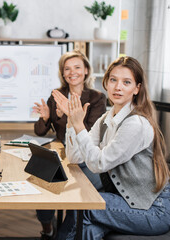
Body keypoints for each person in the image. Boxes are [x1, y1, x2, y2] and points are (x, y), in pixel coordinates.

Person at [56, 56, 170, 239]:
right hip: (125, 202)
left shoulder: (136, 124)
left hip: (154, 210)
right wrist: (71, 122)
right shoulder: (106, 119)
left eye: (126, 82)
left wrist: (79, 126)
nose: (118, 87)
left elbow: (98, 164)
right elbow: (76, 157)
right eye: (113, 80)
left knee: (83, 206)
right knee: (88, 229)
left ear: (136, 88)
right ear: (106, 83)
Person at [32, 50, 107, 239]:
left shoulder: (97, 98)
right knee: (42, 179)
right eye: (67, 69)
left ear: (86, 70)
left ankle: (68, 231)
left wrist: (66, 114)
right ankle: (47, 228)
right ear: (62, 73)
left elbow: (89, 131)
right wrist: (47, 117)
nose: (72, 72)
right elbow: (40, 131)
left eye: (77, 67)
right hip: (61, 151)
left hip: (84, 152)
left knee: (75, 189)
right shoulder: (56, 95)